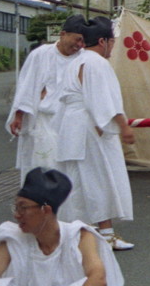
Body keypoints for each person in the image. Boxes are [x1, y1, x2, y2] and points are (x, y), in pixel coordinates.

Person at [54, 17, 136, 251]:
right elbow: (103, 102)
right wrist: (123, 126)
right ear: (103, 41)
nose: (113, 46)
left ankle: (79, 236)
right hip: (89, 128)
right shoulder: (96, 64)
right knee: (98, 181)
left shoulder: (74, 62)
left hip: (71, 127)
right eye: (112, 41)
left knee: (80, 183)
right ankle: (104, 235)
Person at [6, 15, 87, 182]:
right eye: (77, 39)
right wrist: (19, 115)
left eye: (83, 41)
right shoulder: (40, 54)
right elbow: (27, 86)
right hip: (44, 122)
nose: (79, 45)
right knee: (43, 167)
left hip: (71, 123)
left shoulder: (84, 58)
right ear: (63, 34)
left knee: (70, 172)